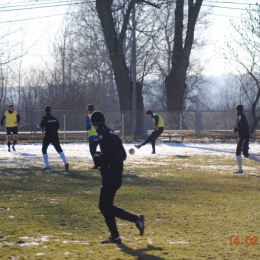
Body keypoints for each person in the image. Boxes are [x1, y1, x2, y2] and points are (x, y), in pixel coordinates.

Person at [91, 111, 145, 244]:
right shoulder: (112, 132)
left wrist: (98, 158)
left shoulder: (102, 133)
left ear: (93, 124)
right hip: (116, 174)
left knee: (105, 206)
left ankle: (136, 219)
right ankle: (115, 236)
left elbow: (108, 153)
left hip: (110, 175)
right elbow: (123, 155)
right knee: (106, 206)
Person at [40, 105, 69, 171]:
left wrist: (43, 129)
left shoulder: (44, 118)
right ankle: (65, 162)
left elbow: (42, 125)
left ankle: (47, 165)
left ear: (45, 111)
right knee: (59, 149)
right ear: (50, 110)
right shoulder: (54, 118)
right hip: (55, 136)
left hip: (47, 136)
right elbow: (58, 126)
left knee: (44, 149)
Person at [233, 104, 260, 174]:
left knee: (238, 152)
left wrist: (237, 129)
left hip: (243, 137)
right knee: (245, 154)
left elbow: (245, 126)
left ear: (237, 110)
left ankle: (240, 170)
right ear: (242, 109)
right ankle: (240, 169)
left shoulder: (241, 116)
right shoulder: (241, 115)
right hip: (244, 136)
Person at [85, 104, 99, 169]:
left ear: (88, 109)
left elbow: (88, 126)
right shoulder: (97, 115)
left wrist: (87, 128)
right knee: (99, 149)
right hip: (99, 135)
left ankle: (96, 164)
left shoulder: (88, 116)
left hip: (92, 136)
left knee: (92, 151)